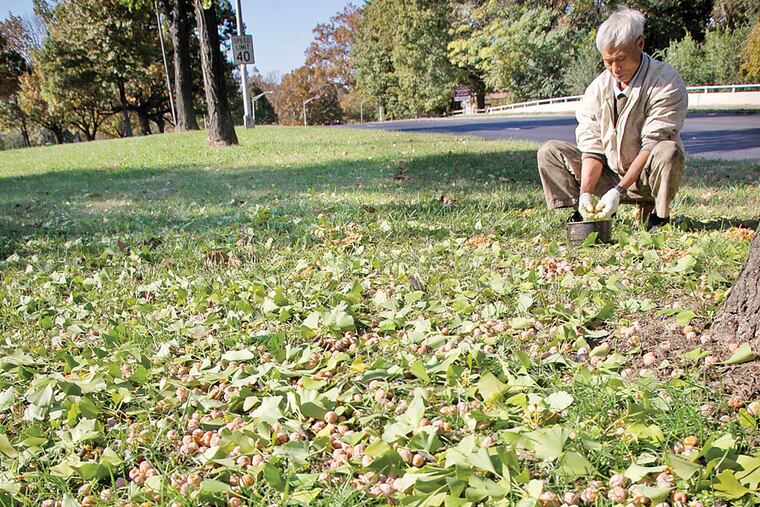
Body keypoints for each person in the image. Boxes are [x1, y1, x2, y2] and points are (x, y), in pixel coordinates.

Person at [537, 6, 688, 231]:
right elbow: (592, 146)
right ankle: (580, 213)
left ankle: (658, 217)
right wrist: (585, 194)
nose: (615, 69)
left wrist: (618, 191)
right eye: (608, 62)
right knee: (550, 152)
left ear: (640, 44)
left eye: (621, 59)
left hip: (646, 176)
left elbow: (652, 144)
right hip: (609, 171)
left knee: (668, 151)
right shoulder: (598, 87)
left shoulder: (666, 82)